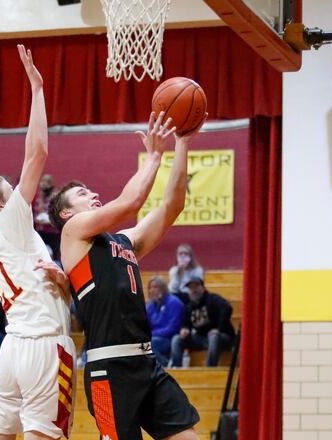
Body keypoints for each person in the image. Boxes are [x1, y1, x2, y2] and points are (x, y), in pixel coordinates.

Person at [49, 110, 204, 440]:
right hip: (109, 370)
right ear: (66, 213)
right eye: (82, 194)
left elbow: (172, 206)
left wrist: (182, 144)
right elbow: (132, 201)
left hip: (146, 362)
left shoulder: (124, 242)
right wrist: (154, 155)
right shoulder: (73, 234)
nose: (92, 195)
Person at [0, 44, 75, 440]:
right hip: (42, 347)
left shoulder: (3, 239)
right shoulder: (10, 220)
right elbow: (37, 152)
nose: (16, 184)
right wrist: (38, 90)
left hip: (14, 346)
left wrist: (60, 282)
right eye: (9, 186)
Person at [170, 276, 235, 368]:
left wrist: (219, 329)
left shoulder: (213, 299)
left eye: (196, 287)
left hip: (222, 337)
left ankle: (210, 369)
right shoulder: (188, 307)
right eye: (190, 288)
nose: (193, 290)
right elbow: (185, 323)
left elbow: (227, 308)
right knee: (177, 339)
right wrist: (184, 329)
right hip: (201, 339)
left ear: (203, 288)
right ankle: (176, 369)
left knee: (213, 336)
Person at [146, 276, 184, 368]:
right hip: (155, 337)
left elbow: (174, 327)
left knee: (149, 344)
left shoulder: (174, 302)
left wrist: (152, 334)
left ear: (163, 288)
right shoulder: (149, 306)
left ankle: (166, 365)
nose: (152, 290)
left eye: (155, 287)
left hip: (170, 338)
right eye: (150, 288)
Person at [33, 174, 61, 260]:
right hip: (41, 230)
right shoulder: (39, 196)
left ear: (51, 184)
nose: (43, 184)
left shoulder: (55, 196)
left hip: (53, 232)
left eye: (46, 182)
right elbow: (37, 211)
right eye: (42, 181)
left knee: (56, 253)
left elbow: (58, 214)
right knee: (40, 252)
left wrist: (49, 220)